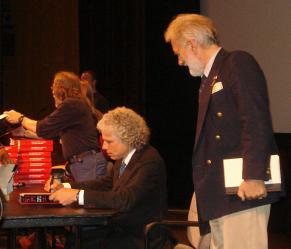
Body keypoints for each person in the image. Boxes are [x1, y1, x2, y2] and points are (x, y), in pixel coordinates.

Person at [164, 14, 284, 249]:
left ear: (192, 43)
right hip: (219, 191)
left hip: (241, 190)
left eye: (179, 53)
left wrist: (253, 176)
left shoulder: (236, 63)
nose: (180, 61)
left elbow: (255, 120)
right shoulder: (210, 79)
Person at [47, 107, 169, 249]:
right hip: (123, 229)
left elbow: (124, 199)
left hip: (141, 237)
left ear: (128, 137)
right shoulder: (124, 157)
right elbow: (105, 183)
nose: (104, 146)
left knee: (80, 243)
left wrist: (77, 196)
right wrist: (67, 186)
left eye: (109, 141)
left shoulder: (149, 161)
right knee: (75, 239)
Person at [4, 71, 107, 182]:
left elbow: (43, 128)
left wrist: (20, 118)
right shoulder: (76, 105)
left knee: (86, 198)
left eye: (53, 90)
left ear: (60, 90)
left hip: (87, 164)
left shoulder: (71, 104)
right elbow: (50, 134)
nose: (53, 94)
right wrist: (24, 133)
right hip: (84, 163)